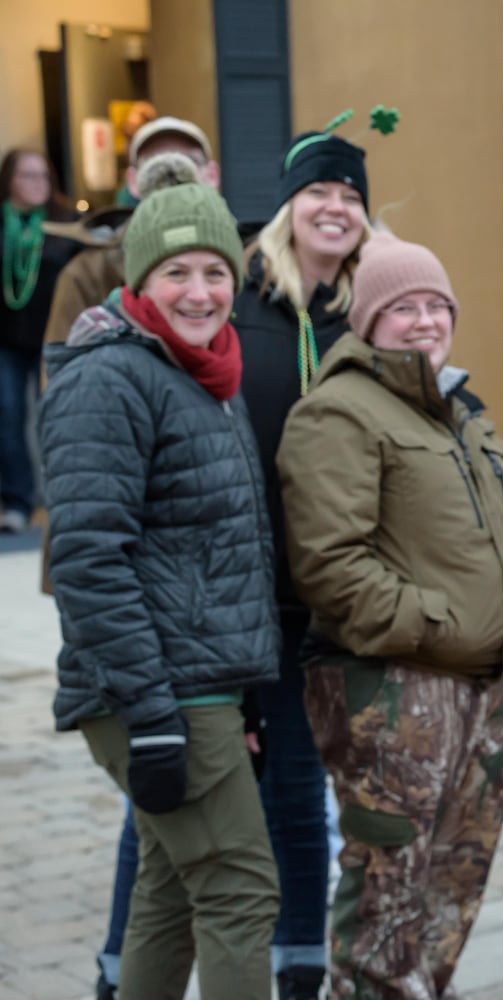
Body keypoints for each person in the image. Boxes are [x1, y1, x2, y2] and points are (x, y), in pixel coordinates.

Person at [277, 232, 503, 997]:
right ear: (368, 320)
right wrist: (445, 629)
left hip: (486, 690)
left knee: (454, 886)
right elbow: (330, 566)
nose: (422, 321)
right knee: (387, 898)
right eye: (402, 307)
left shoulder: (462, 413)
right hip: (394, 694)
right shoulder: (337, 413)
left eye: (435, 305)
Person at [39, 159, 281, 999]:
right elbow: (88, 560)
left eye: (215, 271)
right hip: (153, 689)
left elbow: (216, 555)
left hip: (198, 685)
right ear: (140, 278)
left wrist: (241, 688)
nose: (200, 291)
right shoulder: (109, 378)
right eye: (176, 272)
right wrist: (151, 718)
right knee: (242, 892)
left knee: (174, 893)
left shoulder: (204, 378)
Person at [236, 125, 373, 1000]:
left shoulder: (366, 309)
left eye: (352, 197)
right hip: (255, 593)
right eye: (320, 191)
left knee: (307, 793)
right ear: (289, 206)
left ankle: (300, 967)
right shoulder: (241, 305)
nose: (335, 207)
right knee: (253, 790)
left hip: (341, 597)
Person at [44, 117, 220, 350]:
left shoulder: (249, 266)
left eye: (187, 161)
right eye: (154, 164)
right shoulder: (87, 274)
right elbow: (61, 369)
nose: (171, 172)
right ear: (133, 181)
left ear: (212, 175)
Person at [0, 148, 78, 532]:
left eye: (42, 176)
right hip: (7, 343)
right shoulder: (3, 225)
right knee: (8, 417)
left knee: (59, 418)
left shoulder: (67, 225)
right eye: (27, 176)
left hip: (56, 340)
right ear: (9, 180)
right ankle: (18, 502)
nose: (36, 184)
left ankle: (66, 498)